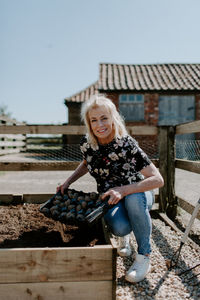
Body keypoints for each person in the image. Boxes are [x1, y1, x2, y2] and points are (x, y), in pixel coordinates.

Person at [57, 94, 164, 283]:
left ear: (113, 118)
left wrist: (123, 190)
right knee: (121, 228)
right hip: (111, 197)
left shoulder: (126, 145)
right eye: (94, 120)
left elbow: (158, 180)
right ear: (89, 123)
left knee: (133, 200)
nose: (100, 125)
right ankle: (126, 238)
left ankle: (144, 256)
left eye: (104, 118)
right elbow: (86, 163)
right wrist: (68, 182)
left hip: (139, 194)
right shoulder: (87, 144)